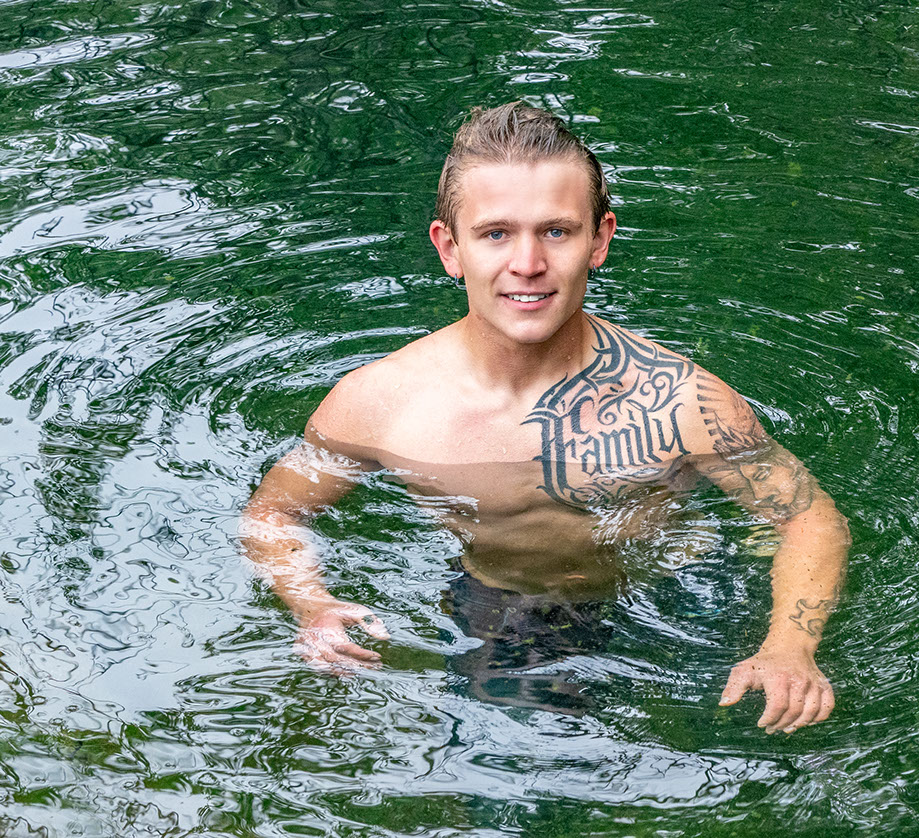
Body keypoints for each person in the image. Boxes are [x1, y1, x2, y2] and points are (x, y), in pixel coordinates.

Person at [240, 102, 850, 733]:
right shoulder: (380, 403)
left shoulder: (679, 400)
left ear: (599, 240)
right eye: (495, 234)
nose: (527, 264)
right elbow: (274, 513)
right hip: (501, 598)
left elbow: (808, 518)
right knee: (500, 768)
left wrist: (789, 648)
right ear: (450, 248)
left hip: (679, 590)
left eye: (556, 232)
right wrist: (313, 606)